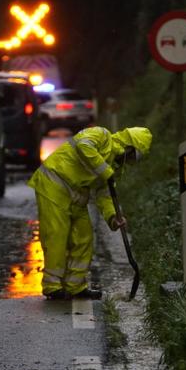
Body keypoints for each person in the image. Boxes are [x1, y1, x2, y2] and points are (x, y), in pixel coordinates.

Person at [28, 125, 152, 300]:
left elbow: (104, 195)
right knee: (56, 236)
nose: (129, 161)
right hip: (53, 185)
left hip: (75, 197)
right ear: (128, 146)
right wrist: (105, 170)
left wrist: (113, 218)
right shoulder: (101, 135)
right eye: (131, 156)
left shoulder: (112, 167)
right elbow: (83, 145)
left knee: (84, 238)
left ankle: (75, 286)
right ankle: (52, 286)